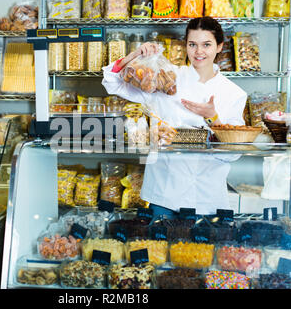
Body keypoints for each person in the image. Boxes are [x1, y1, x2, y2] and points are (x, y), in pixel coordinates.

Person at [102, 16, 247, 218]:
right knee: (159, 248)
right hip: (164, 193)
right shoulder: (168, 78)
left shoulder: (234, 93)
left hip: (206, 197)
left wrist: (212, 118)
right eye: (192, 44)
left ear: (220, 46)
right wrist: (136, 55)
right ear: (185, 46)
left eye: (207, 44)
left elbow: (233, 154)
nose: (199, 52)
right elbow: (113, 82)